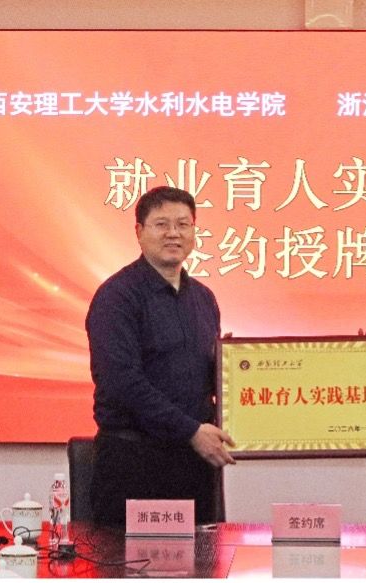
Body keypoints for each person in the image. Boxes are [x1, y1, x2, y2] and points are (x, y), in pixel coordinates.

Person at [85, 186, 235, 526]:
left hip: (194, 465)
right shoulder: (117, 297)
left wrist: (235, 370)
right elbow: (122, 382)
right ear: (139, 232)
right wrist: (191, 431)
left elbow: (201, 377)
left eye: (183, 224)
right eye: (162, 224)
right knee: (131, 560)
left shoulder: (204, 298)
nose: (173, 233)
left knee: (201, 556)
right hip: (134, 464)